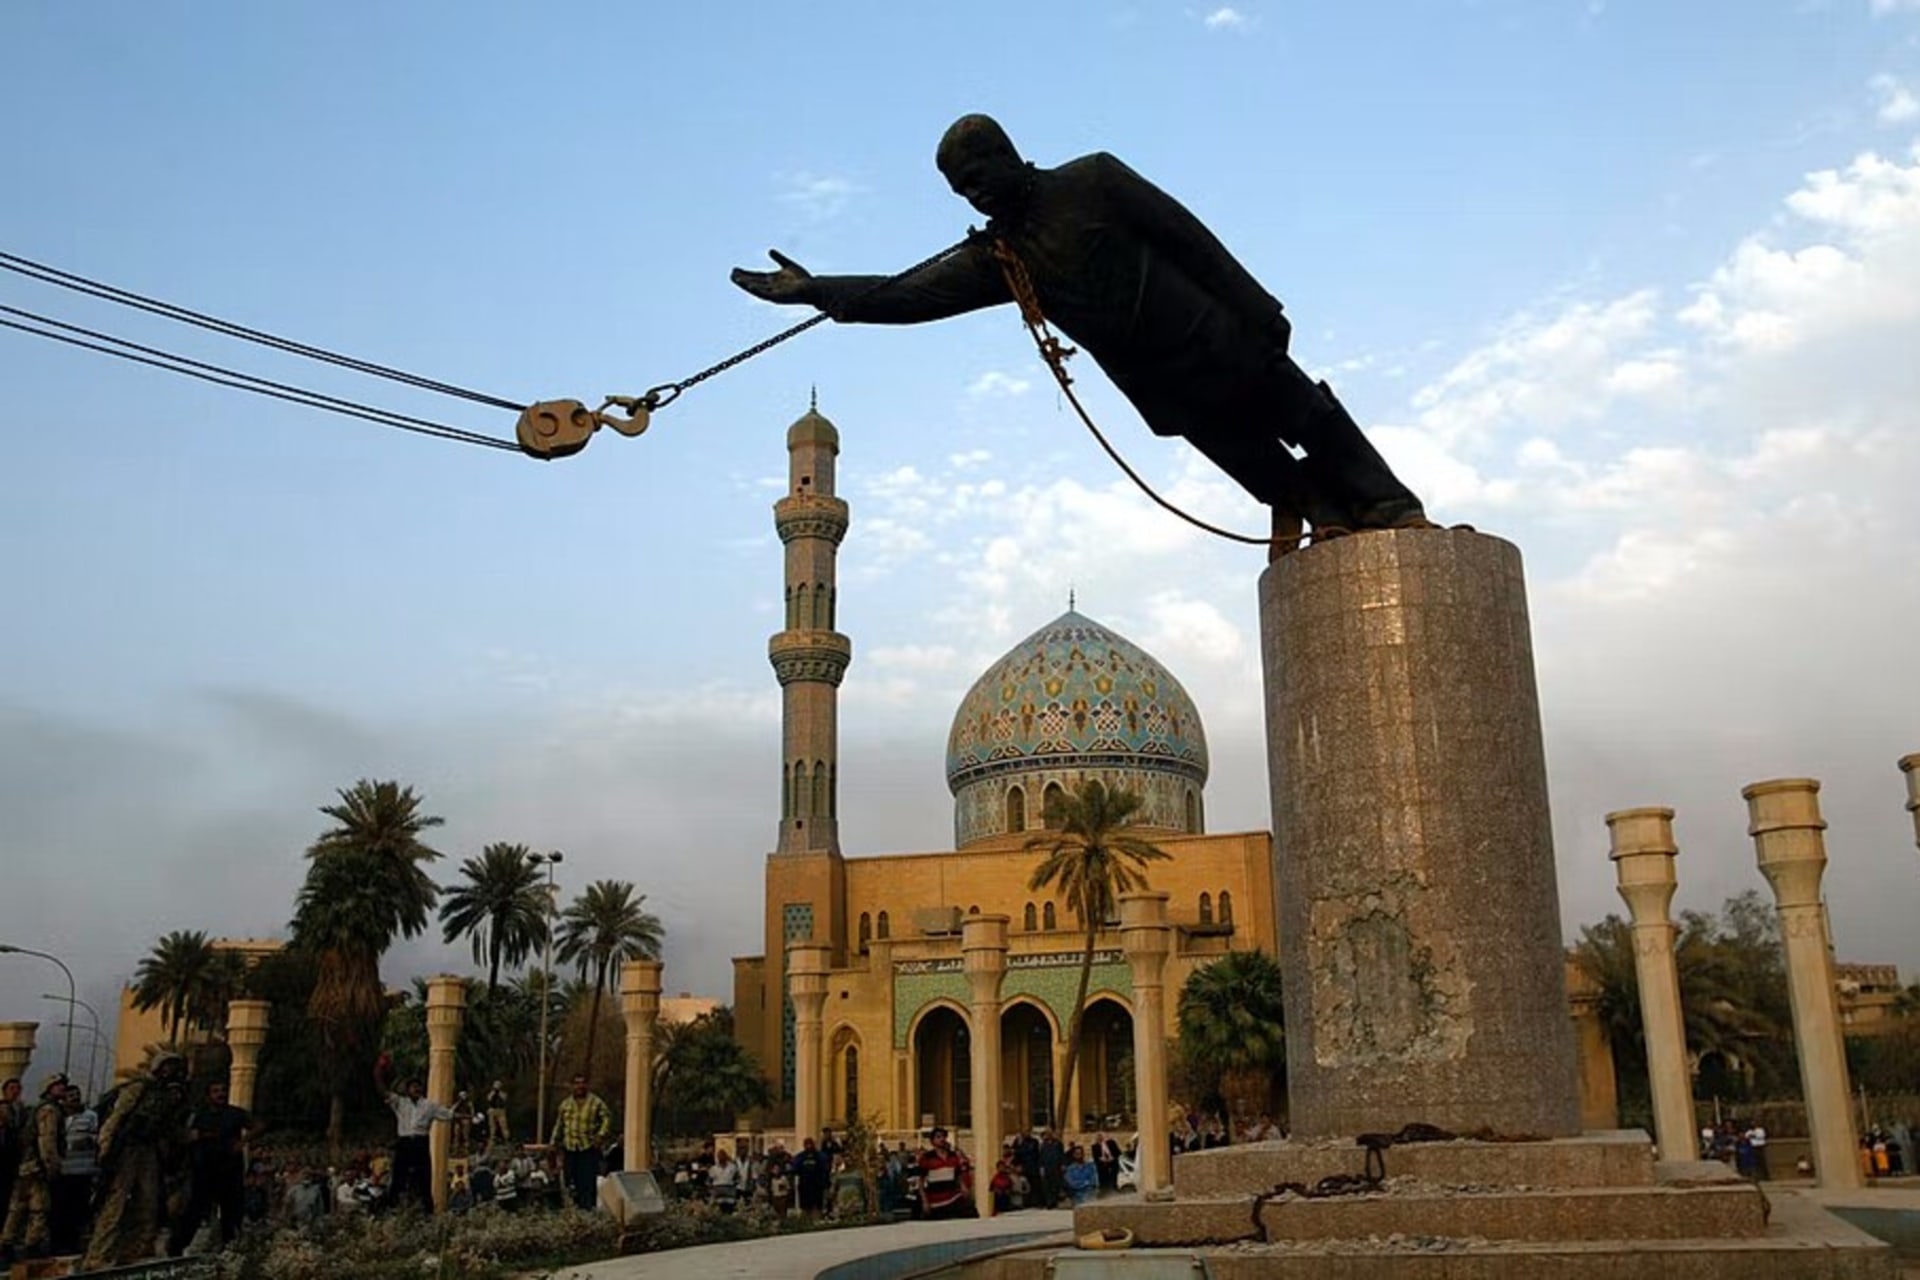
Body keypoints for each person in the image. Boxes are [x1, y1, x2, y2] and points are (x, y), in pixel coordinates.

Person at [732, 115, 1431, 555]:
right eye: (961, 192)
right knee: (1246, 454)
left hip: (1217, 335)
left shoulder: (1092, 180)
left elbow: (1186, 235)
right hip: (1164, 384)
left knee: (1306, 414)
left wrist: (1257, 305)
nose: (975, 196)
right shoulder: (1000, 258)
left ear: (1007, 154)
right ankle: (1325, 512)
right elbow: (909, 295)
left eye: (978, 179)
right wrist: (819, 292)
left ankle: (1391, 506)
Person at [83, 1051, 191, 1270]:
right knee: (116, 1202)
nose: (172, 1071)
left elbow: (169, 1128)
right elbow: (117, 1117)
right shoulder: (139, 1088)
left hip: (147, 1150)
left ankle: (133, 1251)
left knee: (148, 1201)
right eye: (168, 1066)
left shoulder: (168, 1096)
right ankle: (98, 1257)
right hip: (126, 1149)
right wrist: (105, 1148)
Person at [167, 1078, 255, 1254]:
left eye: (223, 1090)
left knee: (232, 1212)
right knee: (195, 1211)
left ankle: (230, 1250)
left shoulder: (235, 1114)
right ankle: (176, 1248)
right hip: (204, 1170)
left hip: (230, 1170)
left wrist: (242, 1141)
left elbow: (258, 1125)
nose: (221, 1094)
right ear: (208, 1095)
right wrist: (194, 1136)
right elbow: (179, 1135)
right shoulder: (198, 1115)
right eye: (216, 1091)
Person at [374, 1054, 453, 1213]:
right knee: (398, 1178)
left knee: (425, 1178)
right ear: (407, 1090)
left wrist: (469, 1116)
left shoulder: (429, 1105)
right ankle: (392, 1209)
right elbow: (382, 1090)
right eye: (413, 1086)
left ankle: (428, 1213)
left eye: (418, 1086)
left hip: (420, 1142)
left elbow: (449, 1114)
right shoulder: (400, 1103)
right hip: (404, 1142)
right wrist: (378, 1071)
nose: (416, 1089)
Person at [0, 1074, 66, 1264]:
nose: (62, 1089)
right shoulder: (49, 1110)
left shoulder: (36, 1109)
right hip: (36, 1167)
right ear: (50, 1088)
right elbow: (47, 1140)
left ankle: (7, 1243)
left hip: (25, 1166)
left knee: (17, 1207)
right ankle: (31, 1244)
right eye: (58, 1086)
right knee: (39, 1208)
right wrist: (52, 1166)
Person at [550, 1074, 611, 1211]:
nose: (579, 1086)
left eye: (582, 1083)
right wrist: (553, 1143)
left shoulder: (596, 1102)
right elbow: (559, 1125)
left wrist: (600, 1136)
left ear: (587, 1085)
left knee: (588, 1181)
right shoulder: (565, 1104)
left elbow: (607, 1118)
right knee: (570, 1180)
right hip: (570, 1148)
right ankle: (573, 1209)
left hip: (588, 1147)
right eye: (576, 1083)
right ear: (572, 1086)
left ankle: (588, 1209)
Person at [52, 1083, 98, 1255]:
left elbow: (98, 1135)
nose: (75, 1098)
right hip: (64, 1170)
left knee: (78, 1209)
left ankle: (73, 1242)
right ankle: (57, 1244)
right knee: (60, 1209)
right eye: (70, 1095)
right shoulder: (58, 1116)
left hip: (84, 1170)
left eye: (77, 1094)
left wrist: (89, 1140)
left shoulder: (91, 1115)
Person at [917, 1128, 973, 1219]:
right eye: (938, 1137)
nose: (942, 1139)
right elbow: (921, 1181)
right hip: (935, 1201)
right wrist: (924, 1201)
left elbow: (958, 1175)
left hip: (952, 1198)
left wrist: (964, 1187)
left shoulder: (953, 1156)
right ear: (932, 1141)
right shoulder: (927, 1158)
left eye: (943, 1136)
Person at [793, 1135, 829, 1214]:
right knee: (806, 1209)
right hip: (805, 1187)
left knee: (817, 1208)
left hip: (817, 1186)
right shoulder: (800, 1157)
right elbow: (795, 1169)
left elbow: (825, 1169)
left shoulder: (820, 1156)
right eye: (807, 1144)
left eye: (810, 1144)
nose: (809, 1146)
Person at [707, 1146, 743, 1213]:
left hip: (729, 1192)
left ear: (726, 1156)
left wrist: (733, 1186)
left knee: (729, 1210)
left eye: (722, 1155)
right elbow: (709, 1180)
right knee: (718, 1211)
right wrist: (711, 1189)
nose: (721, 1157)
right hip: (718, 1192)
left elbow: (738, 1178)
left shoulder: (733, 1167)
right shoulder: (713, 1168)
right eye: (719, 1156)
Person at [485, 1081, 510, 1148]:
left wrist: (498, 1093)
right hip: (492, 1110)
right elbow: (489, 1099)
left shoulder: (503, 1093)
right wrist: (494, 1092)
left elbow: (504, 1099)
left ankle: (506, 1139)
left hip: (501, 1110)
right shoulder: (491, 1093)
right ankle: (492, 1138)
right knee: (492, 1126)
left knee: (503, 1125)